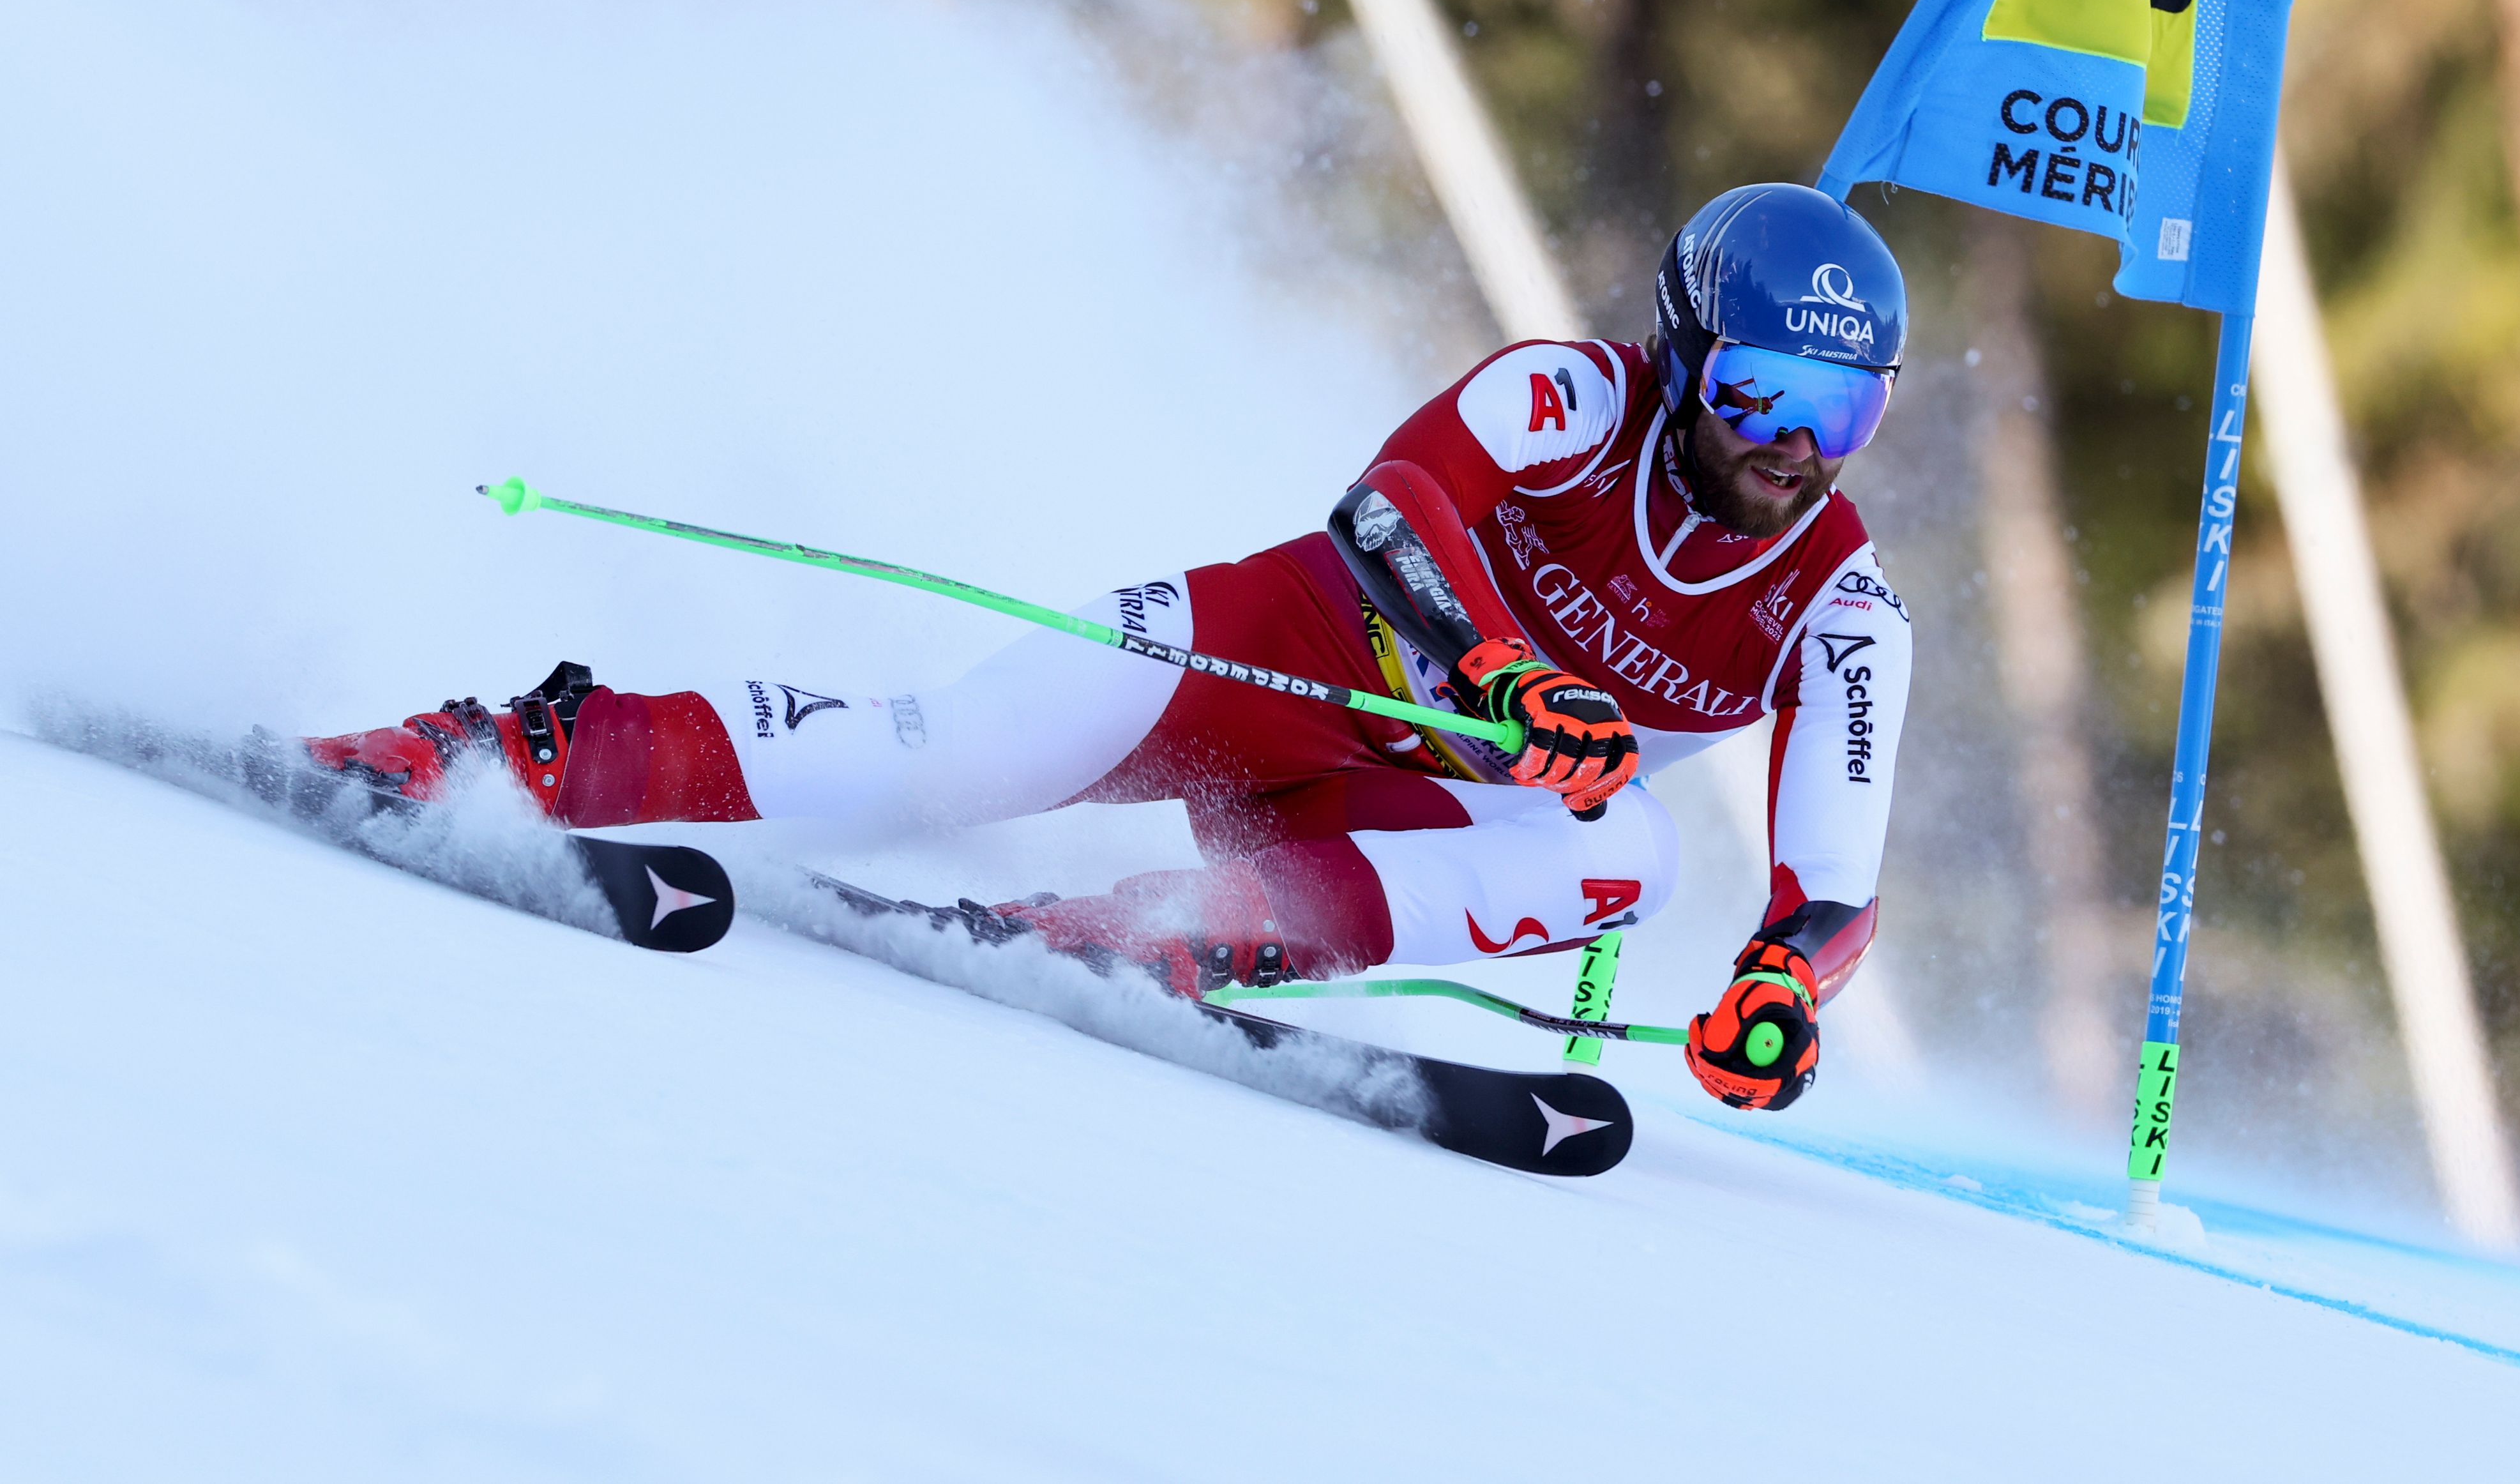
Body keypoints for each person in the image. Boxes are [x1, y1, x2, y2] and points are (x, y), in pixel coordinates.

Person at [311, 183, 1911, 1112]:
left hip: (1382, 811)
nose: (1792, 447)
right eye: (1760, 391)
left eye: (1841, 408)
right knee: (936, 760)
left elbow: (1830, 885)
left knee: (1631, 846)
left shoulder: (1843, 606)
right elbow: (1389, 508)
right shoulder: (1573, 394)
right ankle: (522, 748)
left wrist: (1781, 985)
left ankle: (1159, 928)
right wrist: (1500, 666)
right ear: (1682, 349)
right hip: (1289, 654)